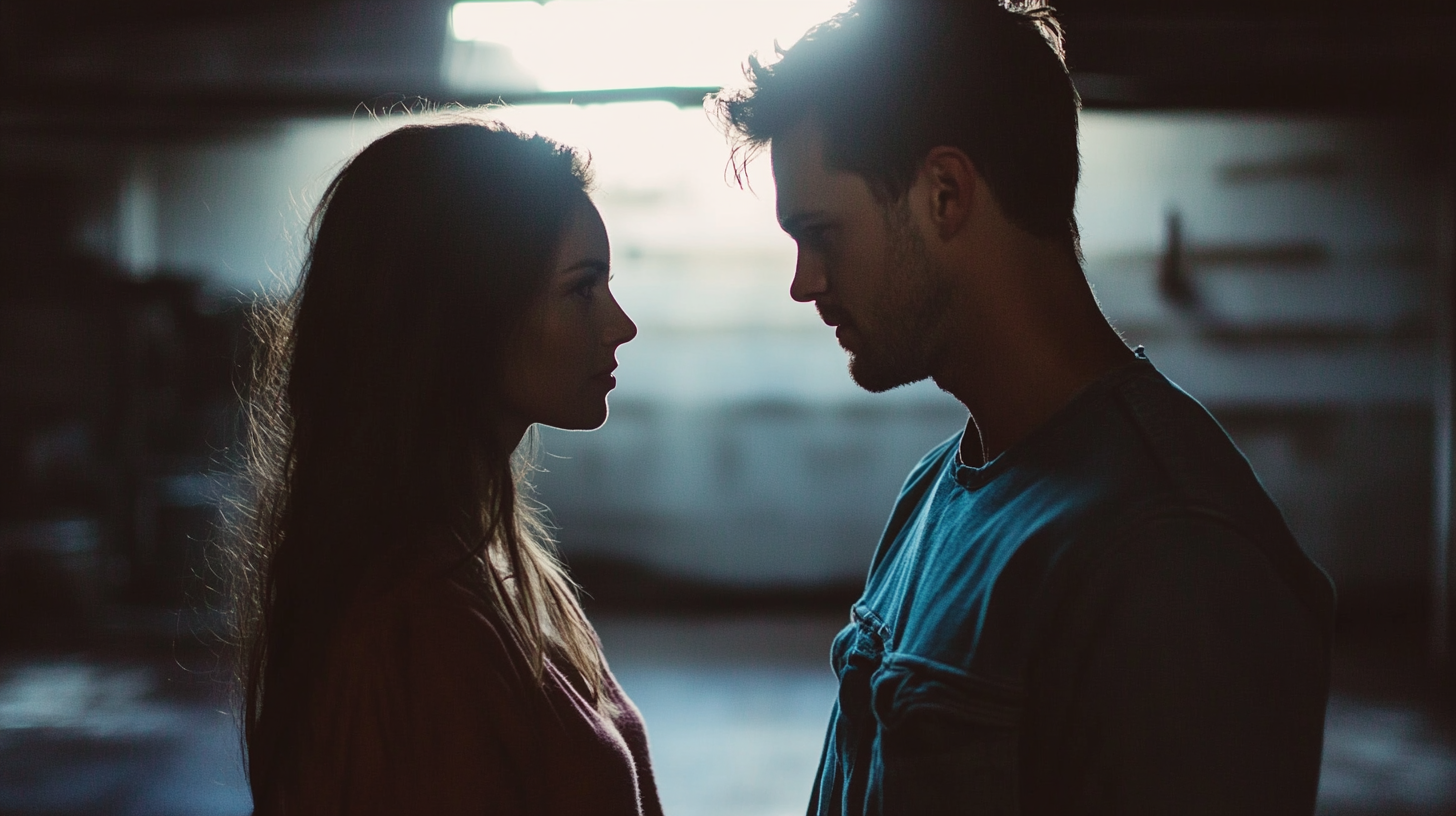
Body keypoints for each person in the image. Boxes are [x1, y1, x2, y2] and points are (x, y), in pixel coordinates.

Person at [717, 1, 1334, 813]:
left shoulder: (1170, 553)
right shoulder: (938, 490)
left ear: (945, 193)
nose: (805, 281)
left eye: (822, 233)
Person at [232, 118, 660, 816]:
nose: (620, 324)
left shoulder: (487, 567)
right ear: (465, 315)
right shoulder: (419, 628)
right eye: (582, 289)